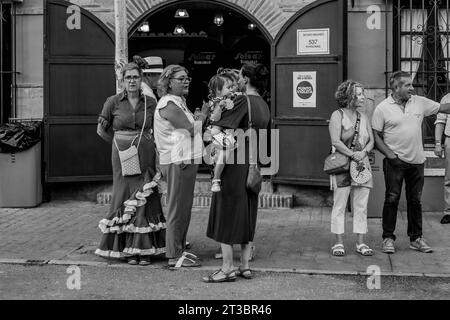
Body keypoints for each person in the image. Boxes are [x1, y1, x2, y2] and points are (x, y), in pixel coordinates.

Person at [203, 62, 270, 283]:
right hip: (253, 165)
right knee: (248, 213)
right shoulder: (263, 104)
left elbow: (217, 126)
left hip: (234, 163)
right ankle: (245, 265)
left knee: (227, 212)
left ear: (247, 79)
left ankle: (227, 267)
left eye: (240, 76)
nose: (237, 80)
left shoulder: (242, 100)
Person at [95, 62, 165, 265]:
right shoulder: (113, 101)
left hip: (145, 154)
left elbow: (159, 128)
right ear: (122, 81)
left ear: (141, 79)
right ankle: (126, 249)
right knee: (124, 194)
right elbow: (101, 130)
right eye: (128, 78)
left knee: (145, 195)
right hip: (122, 154)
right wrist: (119, 144)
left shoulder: (151, 103)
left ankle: (143, 249)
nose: (132, 81)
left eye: (135, 77)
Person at [372, 70, 450, 254]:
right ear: (396, 87)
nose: (412, 88)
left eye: (411, 84)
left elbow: (444, 108)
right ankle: (388, 239)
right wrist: (391, 156)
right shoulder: (382, 108)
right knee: (391, 199)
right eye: (407, 85)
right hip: (394, 163)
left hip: (417, 162)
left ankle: (416, 239)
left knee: (415, 201)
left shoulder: (419, 102)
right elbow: (376, 136)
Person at [153, 64, 209, 268]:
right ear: (168, 83)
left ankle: (179, 249)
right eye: (181, 78)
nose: (187, 81)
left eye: (187, 78)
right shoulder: (168, 103)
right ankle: (174, 255)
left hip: (185, 160)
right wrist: (202, 116)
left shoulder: (178, 101)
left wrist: (198, 118)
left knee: (184, 208)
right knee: (178, 208)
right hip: (179, 161)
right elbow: (188, 128)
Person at [328, 80, 374, 257]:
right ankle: (338, 242)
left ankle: (361, 242)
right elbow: (335, 141)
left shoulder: (364, 117)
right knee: (340, 204)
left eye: (363, 94)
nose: (363, 97)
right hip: (342, 164)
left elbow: (371, 140)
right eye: (359, 94)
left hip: (362, 165)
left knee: (361, 205)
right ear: (348, 96)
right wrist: (352, 154)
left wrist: (363, 152)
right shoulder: (337, 115)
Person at [206, 74, 239, 192]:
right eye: (228, 87)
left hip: (224, 131)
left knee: (223, 154)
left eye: (232, 87)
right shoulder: (216, 102)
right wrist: (220, 106)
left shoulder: (227, 99)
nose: (232, 89)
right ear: (218, 90)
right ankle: (216, 179)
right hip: (216, 131)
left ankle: (216, 178)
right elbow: (215, 118)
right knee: (224, 154)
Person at [434, 91, 450, 224]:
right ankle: (448, 212)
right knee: (449, 179)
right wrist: (438, 143)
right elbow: (440, 122)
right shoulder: (447, 98)